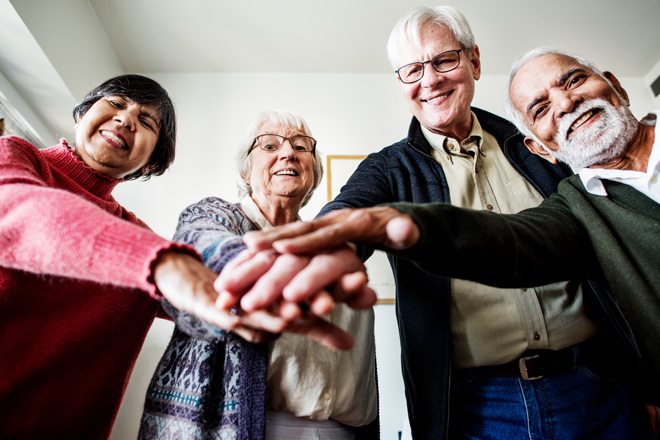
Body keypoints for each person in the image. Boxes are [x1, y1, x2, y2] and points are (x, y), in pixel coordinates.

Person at [219, 8, 653, 440]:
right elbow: (349, 210)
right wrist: (327, 247)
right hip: (476, 405)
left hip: (600, 384)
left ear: (474, 62)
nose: (430, 80)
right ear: (401, 83)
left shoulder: (538, 141)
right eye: (412, 70)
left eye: (444, 60)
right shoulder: (387, 168)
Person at [0, 74, 270, 439]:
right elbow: (24, 212)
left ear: (149, 165)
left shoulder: (139, 237)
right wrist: (163, 263)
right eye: (116, 103)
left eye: (146, 122)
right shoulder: (15, 155)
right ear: (82, 113)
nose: (127, 119)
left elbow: (207, 301)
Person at [139, 110, 379, 440]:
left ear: (312, 170)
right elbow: (203, 245)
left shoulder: (334, 243)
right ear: (247, 170)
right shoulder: (215, 215)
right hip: (241, 429)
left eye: (301, 146)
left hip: (342, 431)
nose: (288, 152)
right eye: (269, 145)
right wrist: (242, 269)